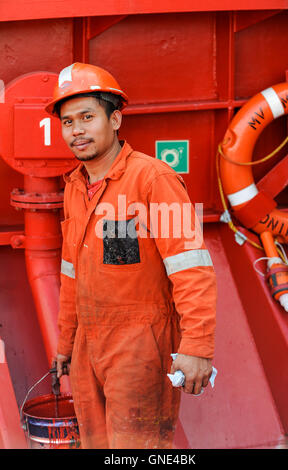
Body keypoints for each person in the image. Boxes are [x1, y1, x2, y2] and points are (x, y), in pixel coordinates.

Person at [45, 62, 217, 449]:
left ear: (116, 119)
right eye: (68, 122)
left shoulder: (154, 180)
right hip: (88, 346)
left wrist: (197, 347)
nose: (77, 131)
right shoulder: (74, 187)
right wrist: (66, 345)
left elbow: (192, 268)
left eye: (87, 117)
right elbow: (71, 273)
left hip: (140, 345)